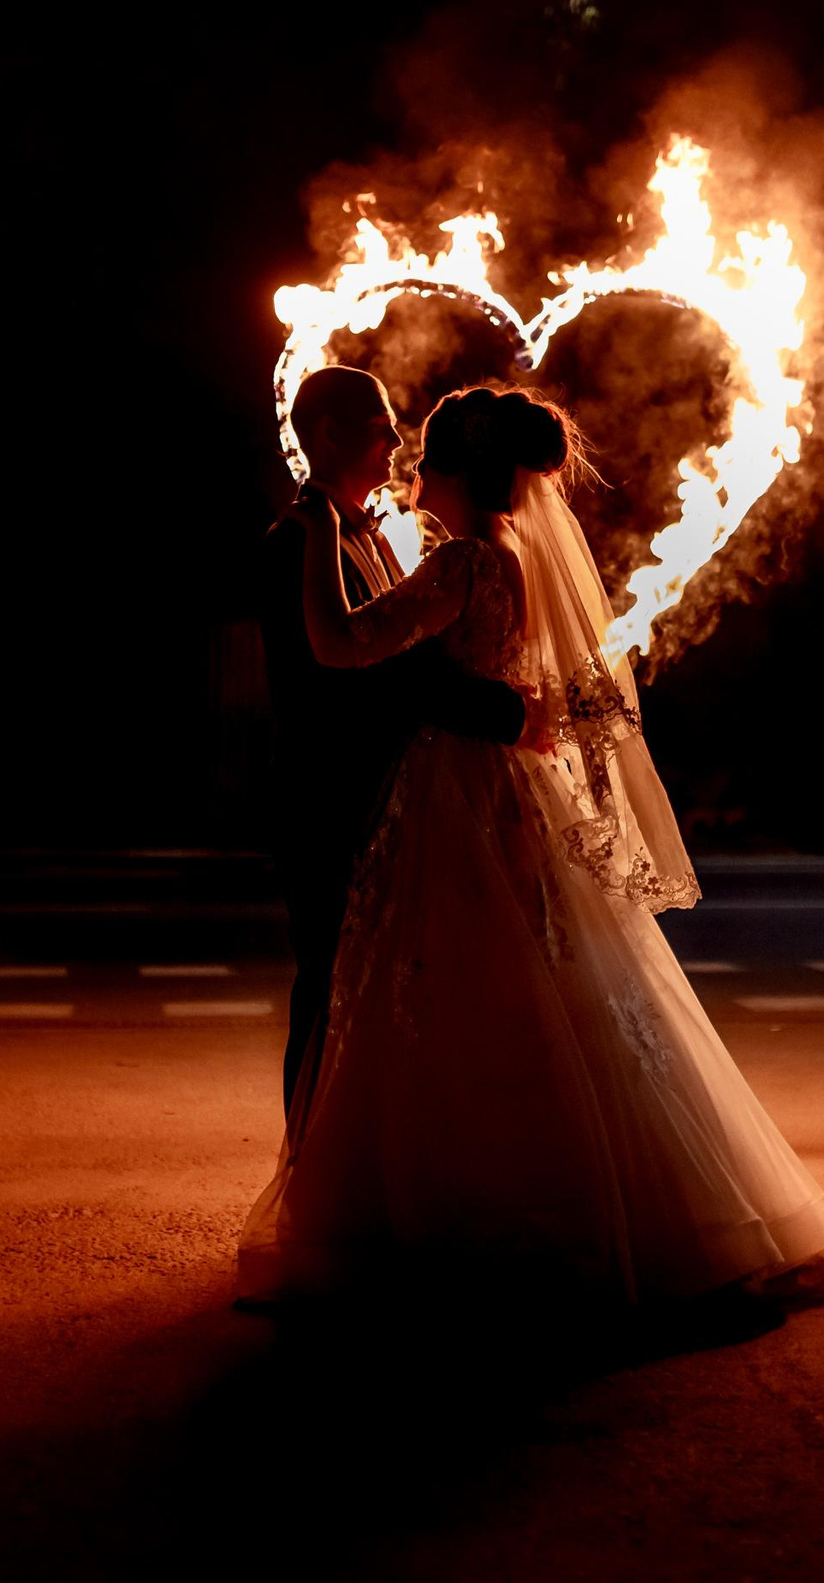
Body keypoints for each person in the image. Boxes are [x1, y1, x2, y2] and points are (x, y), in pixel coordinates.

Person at [239, 383, 824, 1312]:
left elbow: (351, 646)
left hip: (456, 795)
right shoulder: (501, 551)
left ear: (453, 467)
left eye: (418, 448)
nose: (403, 460)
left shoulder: (461, 562)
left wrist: (328, 523)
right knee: (505, 992)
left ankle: (417, 1208)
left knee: (438, 997)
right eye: (384, 435)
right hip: (488, 789)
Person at [257, 366, 528, 1114]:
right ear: (332, 434)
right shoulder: (297, 541)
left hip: (388, 797)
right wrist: (506, 714)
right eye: (382, 427)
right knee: (325, 986)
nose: (397, 441)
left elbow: (412, 659)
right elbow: (389, 677)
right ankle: (308, 1159)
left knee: (383, 992)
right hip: (328, 795)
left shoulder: (373, 536)